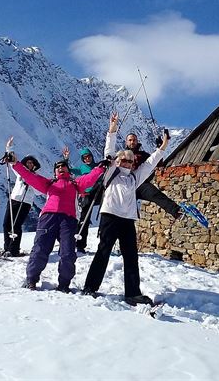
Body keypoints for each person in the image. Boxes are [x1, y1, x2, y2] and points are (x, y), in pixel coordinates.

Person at [82, 112, 169, 306]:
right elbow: (109, 151)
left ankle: (133, 293)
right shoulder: (111, 172)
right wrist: (112, 130)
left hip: (128, 220)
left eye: (130, 161)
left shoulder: (134, 177)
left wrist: (163, 147)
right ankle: (90, 287)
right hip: (110, 216)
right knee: (103, 252)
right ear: (118, 161)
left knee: (131, 256)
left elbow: (149, 164)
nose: (127, 163)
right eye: (123, 160)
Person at [4, 145, 105, 292]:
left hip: (68, 220)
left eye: (64, 166)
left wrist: (101, 168)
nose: (61, 169)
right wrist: (15, 163)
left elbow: (90, 178)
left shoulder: (76, 184)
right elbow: (29, 176)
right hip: (48, 217)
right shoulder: (49, 183)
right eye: (58, 167)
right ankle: (31, 279)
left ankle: (64, 284)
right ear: (54, 172)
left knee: (68, 253)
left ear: (69, 171)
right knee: (40, 249)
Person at [0, 137, 43, 257]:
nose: (29, 164)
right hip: (14, 199)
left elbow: (39, 192)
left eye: (31, 163)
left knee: (16, 225)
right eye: (27, 162)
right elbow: (12, 161)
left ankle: (14, 250)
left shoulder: (36, 177)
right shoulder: (21, 173)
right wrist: (9, 148)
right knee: (6, 224)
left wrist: (31, 183)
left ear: (34, 165)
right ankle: (7, 247)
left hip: (25, 203)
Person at [125, 132, 182, 219]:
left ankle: (177, 211)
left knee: (156, 194)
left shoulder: (143, 155)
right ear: (126, 142)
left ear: (137, 141)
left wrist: (160, 147)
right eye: (130, 140)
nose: (132, 142)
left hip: (142, 184)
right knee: (127, 210)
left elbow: (158, 163)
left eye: (134, 140)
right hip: (126, 184)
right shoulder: (122, 155)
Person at [62, 146, 99, 253]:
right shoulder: (82, 169)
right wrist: (66, 159)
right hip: (86, 195)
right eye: (85, 157)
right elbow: (68, 170)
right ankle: (80, 245)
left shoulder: (97, 167)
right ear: (83, 159)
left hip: (97, 193)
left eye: (88, 156)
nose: (87, 159)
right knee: (84, 219)